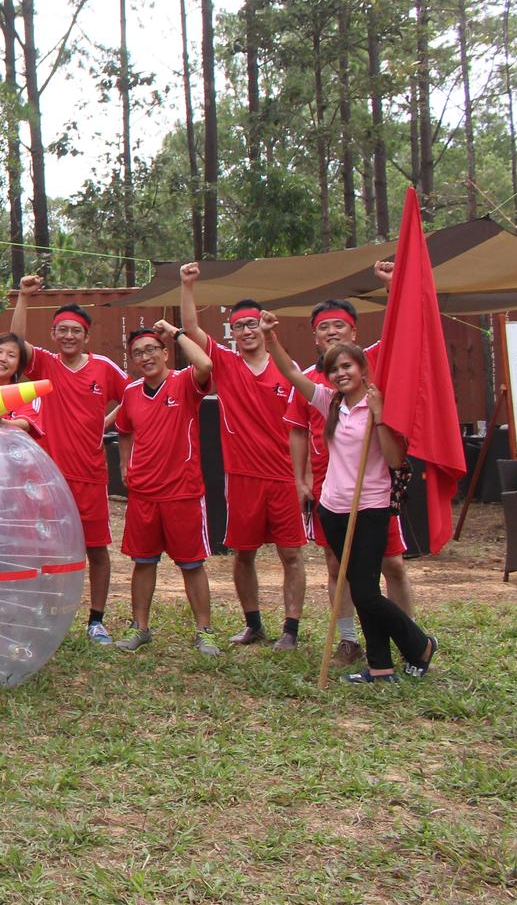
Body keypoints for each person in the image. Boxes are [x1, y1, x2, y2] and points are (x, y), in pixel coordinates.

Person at [264, 317, 437, 683]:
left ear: (361, 368)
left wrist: (379, 416)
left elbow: (395, 459)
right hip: (333, 508)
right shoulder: (329, 402)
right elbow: (291, 373)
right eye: (334, 369)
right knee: (361, 590)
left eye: (347, 366)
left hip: (370, 507)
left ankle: (420, 644)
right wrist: (269, 335)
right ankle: (380, 666)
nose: (340, 374)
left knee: (366, 593)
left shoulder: (378, 404)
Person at [180, 264, 307, 651]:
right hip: (242, 476)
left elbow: (304, 426)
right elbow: (190, 328)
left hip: (283, 476)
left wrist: (304, 477)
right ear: (231, 333)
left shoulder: (286, 367)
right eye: (239, 326)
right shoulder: (225, 363)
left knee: (291, 554)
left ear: (263, 327)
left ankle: (291, 629)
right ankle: (253, 624)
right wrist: (187, 285)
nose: (247, 331)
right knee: (243, 554)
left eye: (252, 324)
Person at [284, 294, 413, 664]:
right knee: (336, 566)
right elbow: (297, 430)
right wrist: (300, 479)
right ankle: (348, 640)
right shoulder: (313, 382)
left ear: (353, 331)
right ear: (315, 337)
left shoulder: (371, 366)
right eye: (323, 327)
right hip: (330, 489)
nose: (331, 332)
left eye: (338, 325)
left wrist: (392, 288)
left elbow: (402, 333)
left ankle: (408, 636)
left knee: (392, 564)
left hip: (373, 488)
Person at [10, 276, 129, 645]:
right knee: (45, 550)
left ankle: (96, 621)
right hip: (51, 478)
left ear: (86, 336)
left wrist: (104, 424)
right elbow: (15, 341)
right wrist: (24, 297)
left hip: (91, 475)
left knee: (97, 549)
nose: (68, 336)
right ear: (53, 334)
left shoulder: (103, 368)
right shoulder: (46, 364)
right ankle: (45, 616)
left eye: (75, 330)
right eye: (62, 330)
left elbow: (133, 397)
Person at [112, 322, 220, 656]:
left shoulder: (184, 382)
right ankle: (140, 627)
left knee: (191, 564)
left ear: (164, 353)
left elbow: (206, 364)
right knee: (143, 562)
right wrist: (125, 464)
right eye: (137, 353)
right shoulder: (131, 392)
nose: (145, 357)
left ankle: (204, 631)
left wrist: (177, 333)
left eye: (150, 350)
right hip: (144, 493)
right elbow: (124, 429)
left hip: (182, 491)